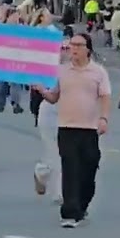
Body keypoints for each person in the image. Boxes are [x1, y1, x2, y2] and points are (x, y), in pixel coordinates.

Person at [38, 32, 110, 228]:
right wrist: (42, 91)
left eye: (78, 45)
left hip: (89, 128)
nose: (74, 49)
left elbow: (104, 97)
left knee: (88, 168)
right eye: (71, 46)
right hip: (66, 127)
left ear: (88, 49)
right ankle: (69, 212)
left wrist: (103, 118)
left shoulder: (98, 72)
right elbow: (54, 97)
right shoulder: (62, 71)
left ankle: (82, 204)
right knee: (70, 168)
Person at [34, 33, 74, 203]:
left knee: (68, 152)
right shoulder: (47, 68)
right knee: (54, 152)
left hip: (70, 113)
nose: (65, 51)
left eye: (68, 48)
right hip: (49, 111)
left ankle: (47, 177)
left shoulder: (77, 69)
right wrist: (40, 89)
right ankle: (55, 187)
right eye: (62, 48)